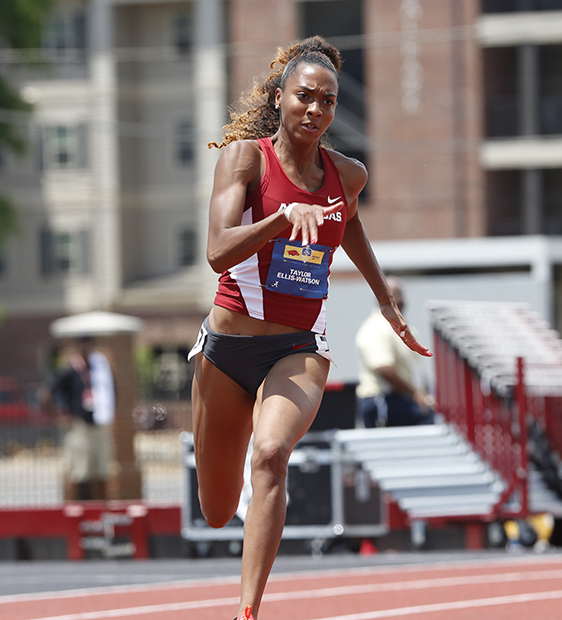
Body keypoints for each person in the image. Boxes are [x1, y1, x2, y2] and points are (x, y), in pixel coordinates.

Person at [188, 36, 431, 620]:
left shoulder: (347, 175)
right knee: (217, 509)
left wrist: (385, 302)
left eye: (328, 101)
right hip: (226, 349)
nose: (316, 110)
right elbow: (218, 253)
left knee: (271, 454)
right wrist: (278, 218)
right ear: (281, 98)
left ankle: (248, 611)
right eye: (304, 97)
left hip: (298, 347)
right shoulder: (245, 160)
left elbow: (350, 229)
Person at [355, 276, 436, 428]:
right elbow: (384, 368)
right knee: (426, 418)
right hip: (381, 399)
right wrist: (415, 394)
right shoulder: (376, 327)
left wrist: (423, 392)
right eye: (395, 294)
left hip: (397, 397)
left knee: (429, 416)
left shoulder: (400, 326)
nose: (401, 299)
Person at [45, 337, 115, 501]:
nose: (86, 347)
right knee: (79, 473)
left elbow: (112, 393)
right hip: (79, 427)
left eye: (89, 342)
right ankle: (76, 513)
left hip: (99, 424)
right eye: (82, 343)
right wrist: (58, 416)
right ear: (76, 346)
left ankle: (100, 513)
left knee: (102, 472)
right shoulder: (70, 370)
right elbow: (47, 395)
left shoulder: (99, 369)